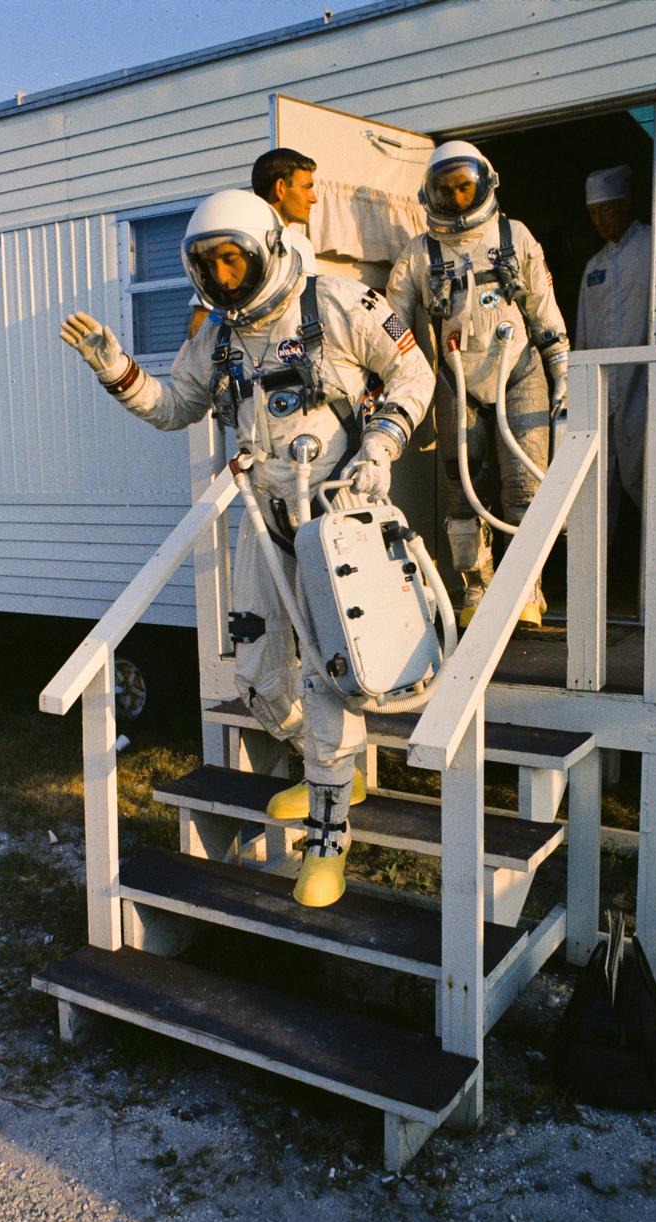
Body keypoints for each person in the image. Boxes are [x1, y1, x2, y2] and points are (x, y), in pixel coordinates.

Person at [61, 189, 435, 910]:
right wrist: (117, 369)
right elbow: (175, 407)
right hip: (263, 518)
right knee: (260, 674)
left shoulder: (335, 302)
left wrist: (382, 445)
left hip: (336, 516)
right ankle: (330, 765)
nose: (225, 277)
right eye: (211, 265)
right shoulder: (220, 338)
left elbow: (413, 373)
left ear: (266, 248)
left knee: (332, 673)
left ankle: (329, 833)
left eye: (234, 260)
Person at [387, 141, 570, 628]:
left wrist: (562, 376)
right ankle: (476, 588)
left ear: (484, 184)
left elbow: (544, 312)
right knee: (462, 492)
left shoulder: (514, 235)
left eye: (463, 186)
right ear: (431, 196)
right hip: (456, 378)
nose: (456, 198)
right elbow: (393, 327)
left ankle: (525, 586)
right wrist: (394, 383)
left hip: (520, 371)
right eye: (445, 190)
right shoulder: (419, 254)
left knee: (525, 488)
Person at [576, 164, 651, 541]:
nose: (599, 219)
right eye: (592, 212)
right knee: (598, 488)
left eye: (606, 208)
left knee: (647, 485)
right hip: (603, 397)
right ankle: (594, 587)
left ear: (625, 203)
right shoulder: (594, 267)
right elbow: (584, 339)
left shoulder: (655, 248)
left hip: (645, 390)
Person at [187, 148, 318, 338]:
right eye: (307, 187)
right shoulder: (235, 242)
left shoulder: (301, 245)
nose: (313, 198)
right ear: (281, 188)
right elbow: (201, 322)